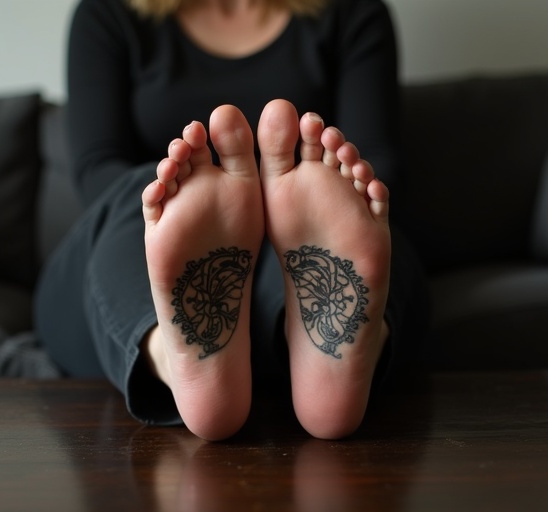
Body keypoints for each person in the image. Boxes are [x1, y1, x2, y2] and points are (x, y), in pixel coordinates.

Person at [34, 0, 429, 441]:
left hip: (287, 252)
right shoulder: (108, 13)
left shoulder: (352, 12)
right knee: (136, 191)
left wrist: (270, 219)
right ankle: (173, 351)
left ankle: (325, 350)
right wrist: (179, 202)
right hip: (129, 243)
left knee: (365, 209)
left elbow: (378, 164)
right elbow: (96, 170)